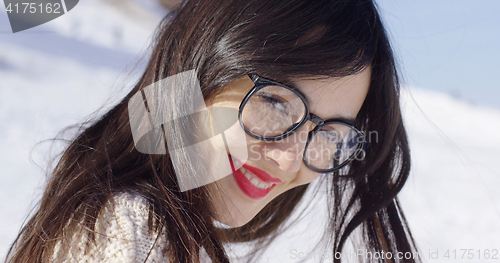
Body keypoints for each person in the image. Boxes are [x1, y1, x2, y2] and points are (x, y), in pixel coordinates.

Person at [6, 0, 421, 262]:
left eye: (330, 134)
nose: (290, 158)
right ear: (196, 73)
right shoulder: (134, 231)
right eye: (276, 103)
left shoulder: (148, 228)